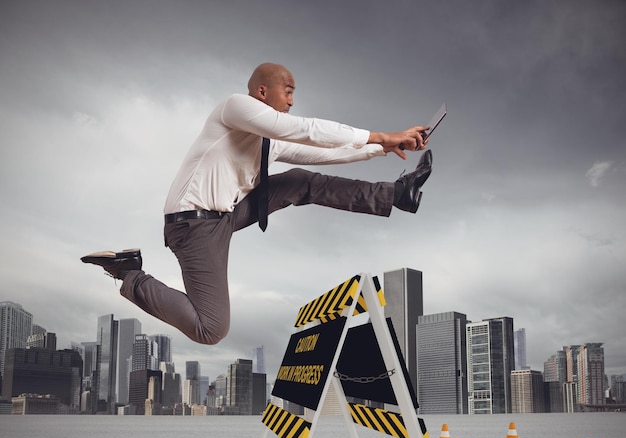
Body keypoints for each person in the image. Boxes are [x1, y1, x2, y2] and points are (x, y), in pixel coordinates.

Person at [81, 63, 434, 346]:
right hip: (192, 225)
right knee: (211, 330)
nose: (292, 100)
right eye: (289, 91)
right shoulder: (234, 107)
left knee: (300, 180)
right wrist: (381, 134)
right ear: (262, 91)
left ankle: (397, 194)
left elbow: (324, 153)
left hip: (223, 217)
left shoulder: (268, 141)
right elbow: (304, 130)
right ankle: (129, 273)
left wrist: (382, 148)